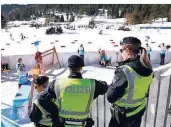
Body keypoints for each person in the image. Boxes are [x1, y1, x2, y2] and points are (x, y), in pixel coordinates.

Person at [37, 55, 108, 127]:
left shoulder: (57, 83)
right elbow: (104, 86)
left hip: (62, 124)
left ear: (69, 68)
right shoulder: (92, 84)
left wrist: (55, 115)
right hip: (82, 124)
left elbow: (41, 98)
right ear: (81, 68)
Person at [107, 37, 153, 127]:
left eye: (121, 50)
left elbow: (110, 97)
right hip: (138, 111)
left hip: (123, 116)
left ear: (128, 50)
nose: (121, 54)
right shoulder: (147, 67)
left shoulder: (125, 70)